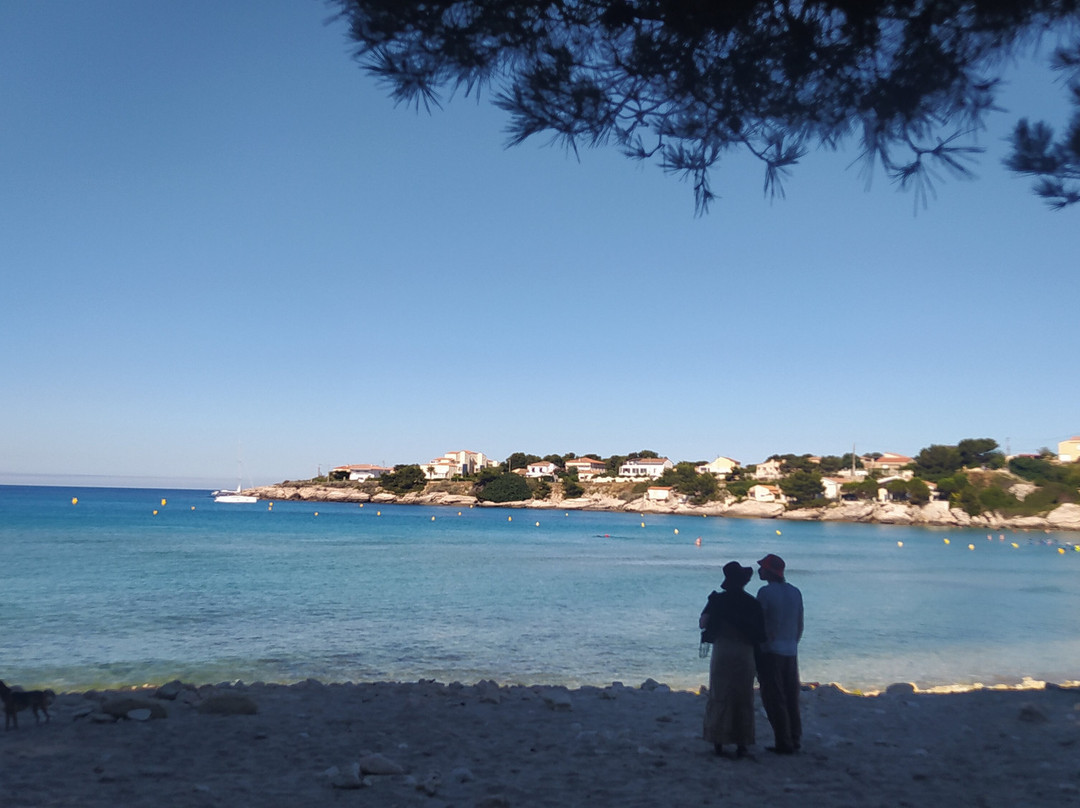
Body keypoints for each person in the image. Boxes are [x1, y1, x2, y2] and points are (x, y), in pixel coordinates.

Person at [699, 561, 766, 758]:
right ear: (744, 582)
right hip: (745, 653)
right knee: (743, 697)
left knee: (720, 695)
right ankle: (742, 743)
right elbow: (761, 635)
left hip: (723, 651)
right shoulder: (752, 603)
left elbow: (703, 623)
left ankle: (718, 741)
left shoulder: (717, 600)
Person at [755, 553, 804, 754]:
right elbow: (800, 623)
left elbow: (759, 622)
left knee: (774, 697)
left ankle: (783, 742)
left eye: (762, 568)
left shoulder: (765, 593)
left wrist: (760, 647)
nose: (759, 570)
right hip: (791, 650)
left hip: (771, 650)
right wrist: (793, 642)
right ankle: (795, 737)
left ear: (769, 571)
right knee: (791, 696)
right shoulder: (795, 592)